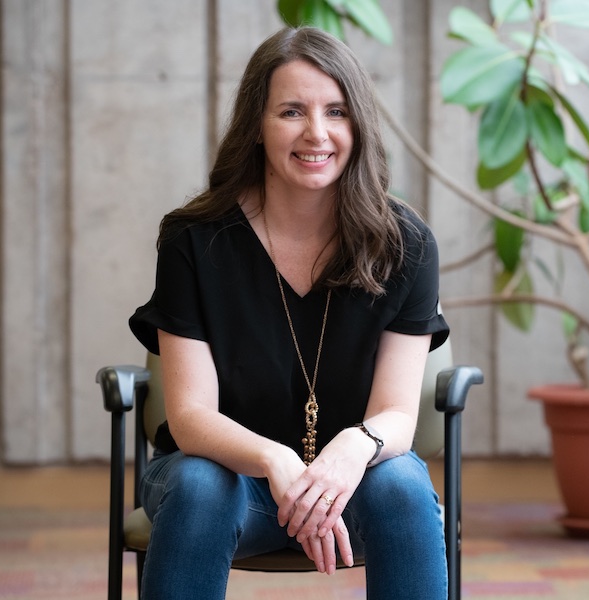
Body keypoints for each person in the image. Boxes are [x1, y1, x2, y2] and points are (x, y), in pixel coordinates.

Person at [128, 26, 451, 599]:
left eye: (336, 112)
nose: (317, 133)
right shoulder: (194, 242)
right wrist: (273, 459)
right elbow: (190, 415)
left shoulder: (406, 244)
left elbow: (397, 414)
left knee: (400, 482)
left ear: (358, 126)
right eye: (291, 112)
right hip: (228, 484)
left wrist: (353, 448)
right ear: (257, 124)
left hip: (352, 485)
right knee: (202, 484)